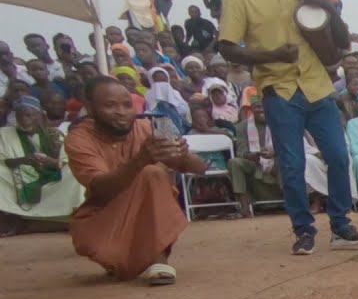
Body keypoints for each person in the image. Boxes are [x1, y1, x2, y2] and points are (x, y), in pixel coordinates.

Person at [218, 0, 358, 255]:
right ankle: (304, 230)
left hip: (317, 86)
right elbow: (227, 47)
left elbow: (341, 39)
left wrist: (324, 4)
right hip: (278, 89)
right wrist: (273, 56)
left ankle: (341, 225)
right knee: (292, 162)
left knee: (340, 157)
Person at [65, 77, 205, 284]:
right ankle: (129, 256)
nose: (121, 112)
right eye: (110, 105)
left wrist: (182, 154)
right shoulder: (78, 138)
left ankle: (159, 259)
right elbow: (101, 189)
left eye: (127, 105)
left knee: (153, 173)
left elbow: (200, 168)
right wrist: (140, 160)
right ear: (90, 108)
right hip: (103, 216)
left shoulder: (151, 126)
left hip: (147, 206)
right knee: (148, 170)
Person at [0, 96, 84, 236]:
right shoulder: (4, 134)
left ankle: (73, 218)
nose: (24, 120)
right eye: (20, 116)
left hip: (53, 182)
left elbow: (67, 162)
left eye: (29, 115)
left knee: (76, 172)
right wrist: (23, 160)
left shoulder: (55, 134)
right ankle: (14, 217)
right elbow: (4, 161)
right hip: (18, 178)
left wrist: (51, 161)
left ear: (40, 115)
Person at [231, 95, 283, 217]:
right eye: (258, 107)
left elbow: (287, 145)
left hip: (275, 160)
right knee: (235, 162)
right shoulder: (241, 127)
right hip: (254, 162)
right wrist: (251, 155)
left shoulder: (279, 122)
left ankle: (291, 201)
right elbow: (241, 150)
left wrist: (274, 153)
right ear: (252, 109)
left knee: (286, 159)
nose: (261, 110)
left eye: (265, 107)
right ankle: (244, 206)